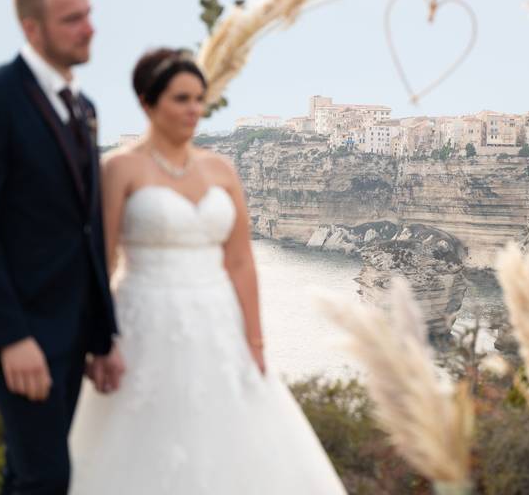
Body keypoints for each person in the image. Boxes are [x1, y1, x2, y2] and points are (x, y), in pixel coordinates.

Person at [68, 48, 346, 493]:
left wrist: (255, 341)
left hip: (219, 325)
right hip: (144, 320)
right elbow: (103, 261)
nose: (194, 109)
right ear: (147, 102)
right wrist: (101, 341)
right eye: (181, 98)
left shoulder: (221, 168)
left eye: (199, 99)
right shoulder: (119, 168)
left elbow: (239, 261)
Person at [0, 0, 122, 494]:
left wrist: (103, 333)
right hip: (21, 329)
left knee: (25, 474)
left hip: (73, 326)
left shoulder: (84, 109)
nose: (89, 28)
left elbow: (87, 233)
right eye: (72, 19)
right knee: (47, 477)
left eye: (88, 14)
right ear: (32, 29)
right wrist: (11, 337)